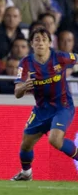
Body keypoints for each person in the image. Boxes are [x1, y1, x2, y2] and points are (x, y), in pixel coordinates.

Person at [12, 26, 78, 181]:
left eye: (44, 40)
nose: (40, 43)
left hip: (63, 106)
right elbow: (17, 93)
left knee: (55, 139)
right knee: (25, 146)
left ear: (50, 43)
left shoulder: (61, 58)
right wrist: (23, 87)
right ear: (32, 44)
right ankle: (26, 173)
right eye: (37, 40)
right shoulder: (26, 63)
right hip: (41, 110)